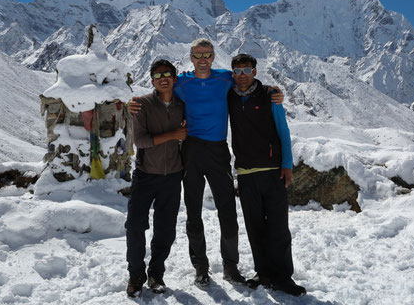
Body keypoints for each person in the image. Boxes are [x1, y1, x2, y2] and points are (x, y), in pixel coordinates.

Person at [173, 38, 284, 287]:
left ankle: (230, 266)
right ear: (190, 57)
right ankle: (200, 267)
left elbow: (249, 82)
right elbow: (161, 92)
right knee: (193, 212)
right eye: (197, 55)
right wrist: (132, 103)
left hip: (218, 150)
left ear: (213, 57)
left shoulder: (225, 78)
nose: (202, 59)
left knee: (228, 211)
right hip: (190, 149)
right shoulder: (182, 82)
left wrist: (276, 93)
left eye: (207, 55)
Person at [227, 53, 306, 297]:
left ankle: (282, 277)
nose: (242, 75)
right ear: (232, 74)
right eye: (238, 71)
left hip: (272, 171)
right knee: (254, 227)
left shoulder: (270, 95)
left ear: (255, 71)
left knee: (279, 227)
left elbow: (283, 129)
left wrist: (287, 164)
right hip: (246, 172)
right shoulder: (228, 95)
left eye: (247, 70)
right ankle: (263, 272)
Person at [125, 59, 187, 297]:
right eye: (158, 74)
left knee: (165, 229)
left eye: (168, 74)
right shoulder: (141, 104)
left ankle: (156, 273)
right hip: (145, 175)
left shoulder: (182, 105)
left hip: (172, 176)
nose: (163, 78)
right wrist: (174, 134)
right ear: (152, 80)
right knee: (134, 226)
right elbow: (140, 141)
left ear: (174, 78)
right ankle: (135, 275)